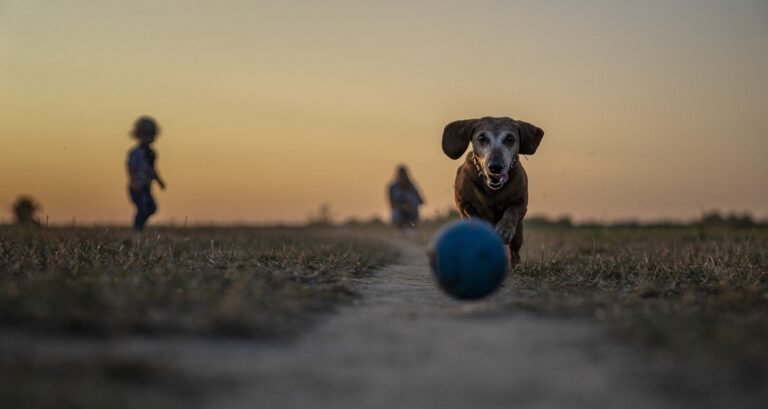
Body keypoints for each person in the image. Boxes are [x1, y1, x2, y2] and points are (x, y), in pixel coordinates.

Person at [126, 116, 165, 231]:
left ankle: (139, 227)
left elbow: (152, 169)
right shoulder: (136, 153)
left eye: (151, 135)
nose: (148, 138)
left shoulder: (152, 153)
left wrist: (159, 181)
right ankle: (137, 229)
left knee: (151, 208)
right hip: (137, 186)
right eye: (145, 135)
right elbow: (131, 167)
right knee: (142, 208)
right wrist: (134, 181)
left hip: (146, 186)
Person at [388, 165, 424, 231]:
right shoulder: (393, 188)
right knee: (396, 214)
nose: (402, 178)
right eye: (401, 176)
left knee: (414, 209)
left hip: (411, 212)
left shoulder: (412, 186)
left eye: (404, 175)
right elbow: (392, 205)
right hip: (399, 212)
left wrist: (411, 204)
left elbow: (421, 201)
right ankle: (399, 230)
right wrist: (402, 207)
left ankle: (413, 229)